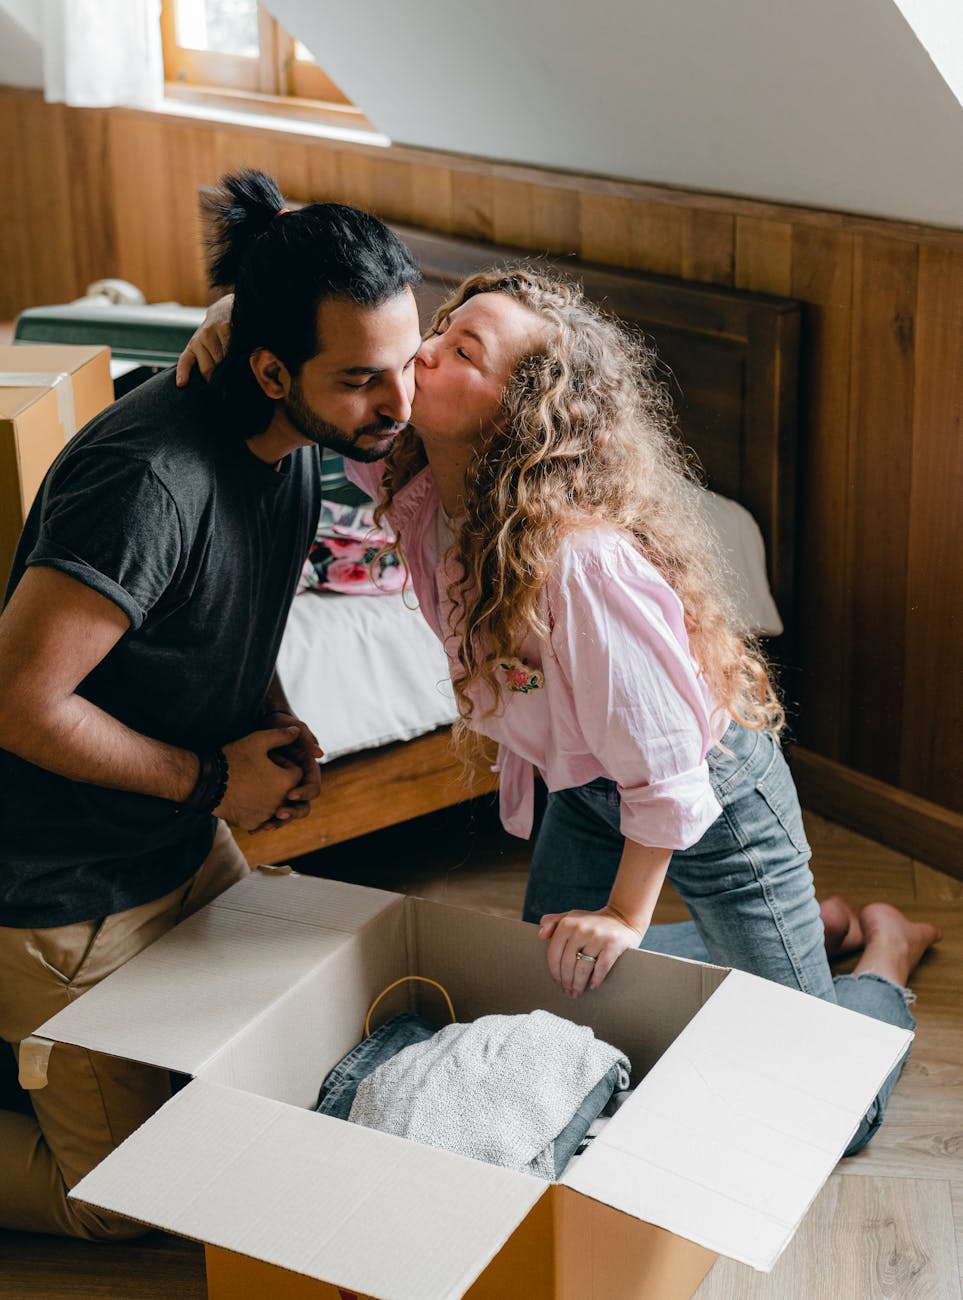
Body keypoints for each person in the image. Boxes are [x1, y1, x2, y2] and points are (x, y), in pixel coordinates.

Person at [182, 252, 940, 1156]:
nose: (420, 355)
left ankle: (884, 949)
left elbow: (667, 771)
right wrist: (239, 320)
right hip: (586, 789)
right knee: (558, 1007)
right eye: (438, 330)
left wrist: (623, 915)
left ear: (517, 416)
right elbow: (319, 399)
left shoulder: (580, 565)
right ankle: (792, 939)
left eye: (460, 351)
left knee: (831, 1118)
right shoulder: (421, 492)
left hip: (710, 803)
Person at [0, 170, 423, 1239]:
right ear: (272, 366)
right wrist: (211, 778)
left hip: (182, 844)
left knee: (265, 1099)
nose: (400, 405)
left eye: (408, 365)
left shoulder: (287, 434)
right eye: (364, 379)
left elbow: (221, 605)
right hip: (62, 882)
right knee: (123, 1207)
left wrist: (270, 717)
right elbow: (16, 701)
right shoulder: (150, 481)